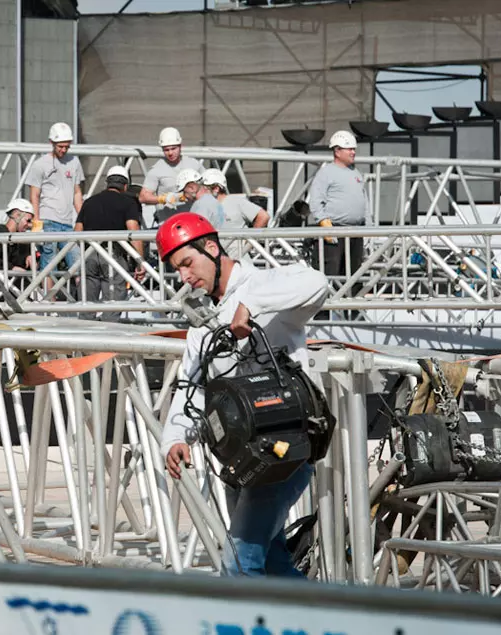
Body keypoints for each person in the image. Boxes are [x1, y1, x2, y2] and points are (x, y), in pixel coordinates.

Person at [157, 212, 329, 577]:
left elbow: (316, 282)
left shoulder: (263, 283)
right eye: (177, 269)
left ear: (212, 246)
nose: (185, 277)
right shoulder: (202, 323)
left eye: (187, 263)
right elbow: (193, 385)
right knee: (271, 561)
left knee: (239, 563)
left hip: (287, 448)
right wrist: (174, 438)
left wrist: (249, 303)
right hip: (241, 457)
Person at [308, 129, 367, 319]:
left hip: (355, 232)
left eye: (354, 149)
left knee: (354, 275)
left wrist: (369, 225)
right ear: (337, 151)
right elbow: (315, 200)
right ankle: (321, 317)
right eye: (349, 149)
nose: (353, 152)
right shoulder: (326, 173)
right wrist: (324, 223)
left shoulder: (356, 173)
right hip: (334, 231)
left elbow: (363, 200)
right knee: (328, 276)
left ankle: (355, 316)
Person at [75, 165, 145, 321]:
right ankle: (109, 343)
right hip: (114, 258)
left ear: (107, 183)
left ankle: (84, 344)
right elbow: (134, 231)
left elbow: (77, 231)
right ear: (125, 186)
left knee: (86, 309)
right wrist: (140, 262)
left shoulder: (90, 202)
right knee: (112, 311)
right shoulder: (129, 202)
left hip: (90, 256)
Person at [25, 121, 84, 279]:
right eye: (60, 146)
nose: (64, 150)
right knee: (49, 264)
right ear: (52, 143)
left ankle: (80, 300)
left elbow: (77, 193)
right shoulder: (40, 165)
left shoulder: (74, 162)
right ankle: (48, 301)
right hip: (47, 221)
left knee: (78, 263)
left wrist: (84, 216)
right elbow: (34, 195)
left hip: (67, 223)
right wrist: (36, 222)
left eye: (67, 146)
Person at [200, 168, 270, 260]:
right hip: (216, 259)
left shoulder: (236, 201)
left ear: (216, 189)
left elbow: (263, 216)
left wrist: (249, 242)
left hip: (239, 259)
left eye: (205, 189)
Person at [138, 127, 201, 225]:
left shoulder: (194, 164)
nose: (170, 153)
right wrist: (164, 198)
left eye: (173, 148)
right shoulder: (157, 169)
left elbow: (207, 185)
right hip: (168, 224)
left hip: (192, 221)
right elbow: (143, 197)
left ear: (180, 146)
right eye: (166, 150)